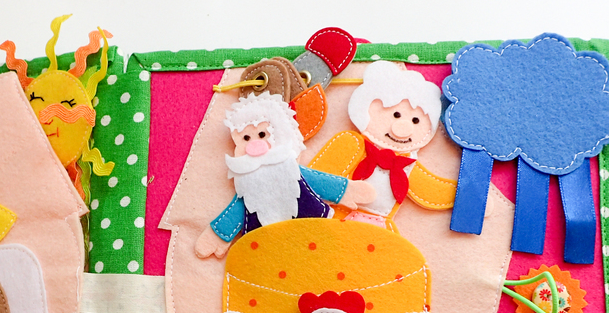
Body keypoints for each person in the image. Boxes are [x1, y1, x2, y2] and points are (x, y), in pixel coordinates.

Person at [195, 93, 375, 259]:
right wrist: (219, 235)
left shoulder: (289, 170)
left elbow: (319, 182)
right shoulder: (247, 185)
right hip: (265, 247)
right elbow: (237, 209)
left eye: (262, 135)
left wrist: (347, 190)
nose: (253, 145)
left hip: (314, 234)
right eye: (246, 138)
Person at [308, 60, 456, 229]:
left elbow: (429, 189)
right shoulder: (351, 144)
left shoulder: (406, 163)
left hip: (379, 226)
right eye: (396, 115)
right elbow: (316, 180)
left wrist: (465, 194)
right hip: (336, 217)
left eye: (416, 120)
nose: (404, 128)